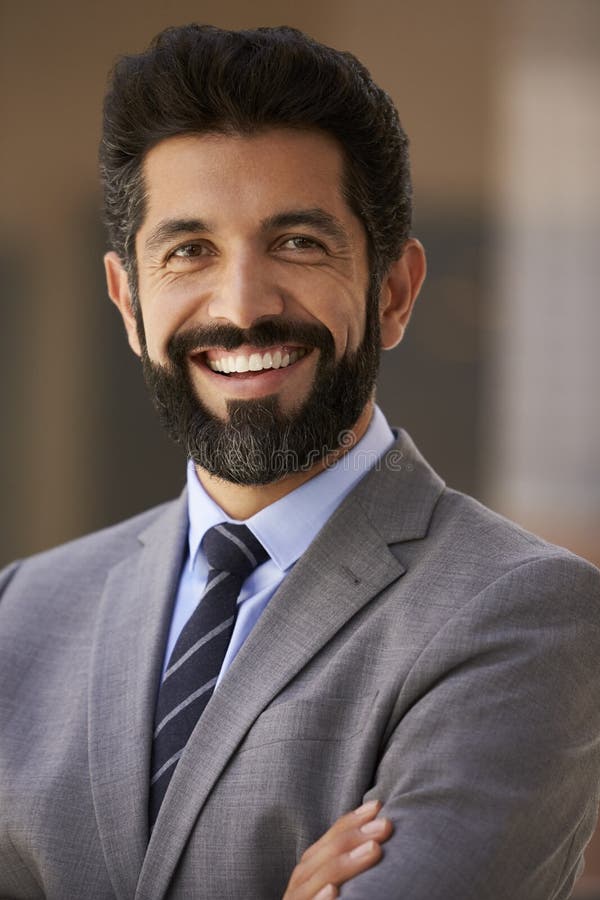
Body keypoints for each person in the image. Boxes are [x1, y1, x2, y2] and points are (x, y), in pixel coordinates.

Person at [0, 23, 599, 900]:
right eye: (189, 251)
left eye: (298, 244)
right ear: (129, 302)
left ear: (392, 292)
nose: (242, 307)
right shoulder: (21, 614)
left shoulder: (522, 615)